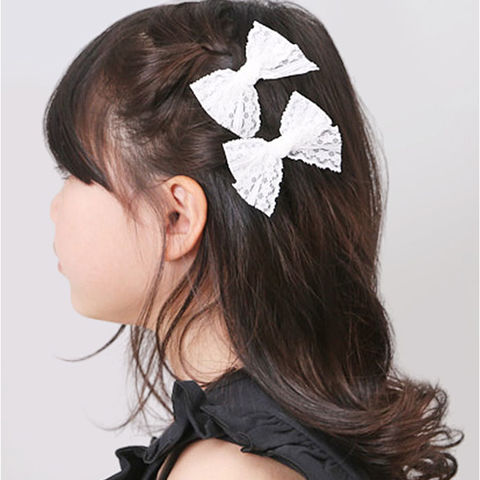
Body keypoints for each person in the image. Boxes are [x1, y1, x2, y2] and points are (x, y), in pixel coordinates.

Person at [45, 0, 464, 479]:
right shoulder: (274, 445)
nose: (55, 207)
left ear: (176, 217)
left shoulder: (227, 471)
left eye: (74, 173)